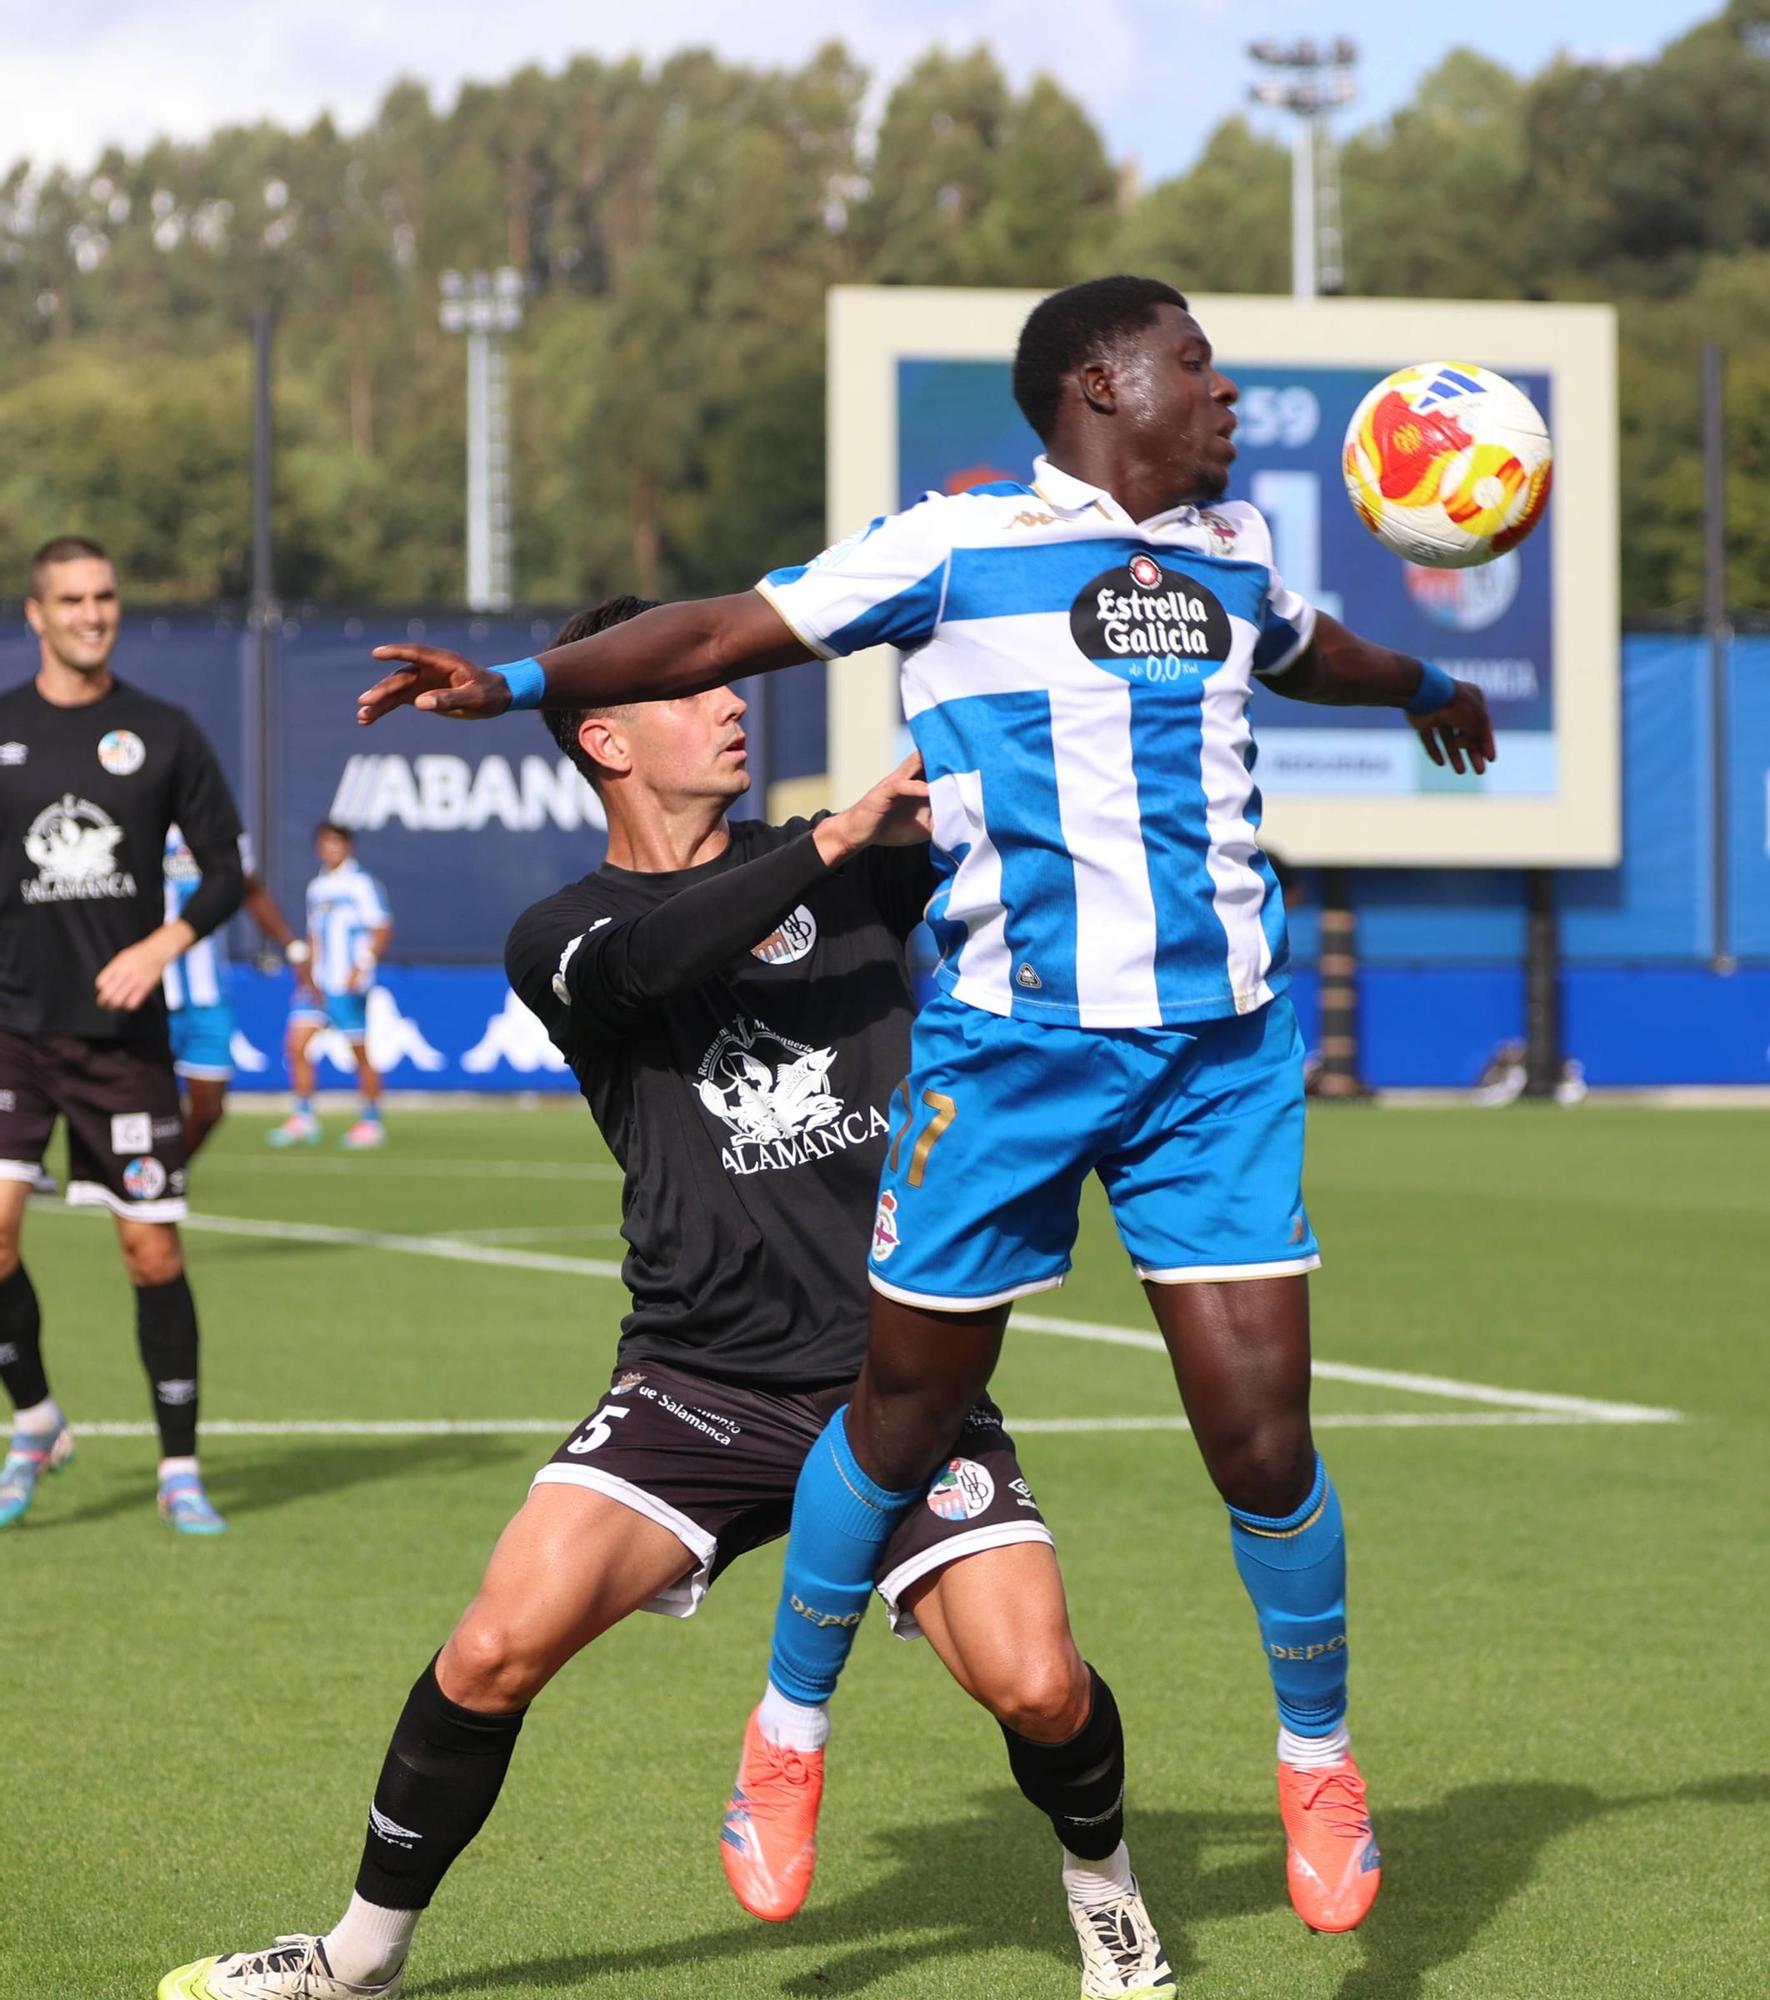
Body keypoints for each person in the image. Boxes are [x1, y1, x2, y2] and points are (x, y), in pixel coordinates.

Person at [356, 275, 1498, 1938]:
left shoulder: (1239, 549)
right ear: (1101, 386)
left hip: (1217, 1054)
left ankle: (1314, 1760)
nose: (1226, 388)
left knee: (1260, 1447)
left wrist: (1420, 694)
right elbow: (716, 629)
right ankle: (784, 1728)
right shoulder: (952, 548)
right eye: (1195, 363)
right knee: (846, 1444)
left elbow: (1317, 648)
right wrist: (521, 679)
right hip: (999, 1073)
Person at [161, 597, 1173, 2000]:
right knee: (493, 1645)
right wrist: (832, 838)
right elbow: (653, 962)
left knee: (1040, 1687)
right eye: (692, 688)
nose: (732, 699)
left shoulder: (866, 862)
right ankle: (359, 1958)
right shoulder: (560, 931)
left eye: (734, 678)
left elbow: (1047, 819)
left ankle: (1103, 1888)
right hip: (692, 1387)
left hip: (897, 1387)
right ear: (605, 735)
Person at [0, 535, 243, 1534]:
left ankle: (178, 1466)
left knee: (150, 1253)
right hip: (12, 1028)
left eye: (104, 596)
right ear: (36, 613)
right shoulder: (3, 731)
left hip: (122, 1042)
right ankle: (38, 1421)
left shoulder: (164, 730)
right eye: (71, 599)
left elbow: (228, 868)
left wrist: (165, 941)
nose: (91, 612)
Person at [163, 823, 313, 1156]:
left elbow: (251, 889)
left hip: (209, 993)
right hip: (146, 991)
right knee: (144, 1102)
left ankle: (170, 1172)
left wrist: (291, 946)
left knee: (210, 1108)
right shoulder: (134, 812)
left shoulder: (218, 828)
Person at [266, 822, 392, 1151]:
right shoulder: (317, 887)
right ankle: (304, 1117)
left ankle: (371, 1121)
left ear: (348, 847)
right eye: (325, 843)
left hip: (347, 982)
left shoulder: (362, 884)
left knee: (359, 1053)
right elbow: (313, 934)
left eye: (336, 843)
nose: (330, 849)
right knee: (295, 1046)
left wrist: (361, 965)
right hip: (318, 983)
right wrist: (306, 974)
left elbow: (380, 928)